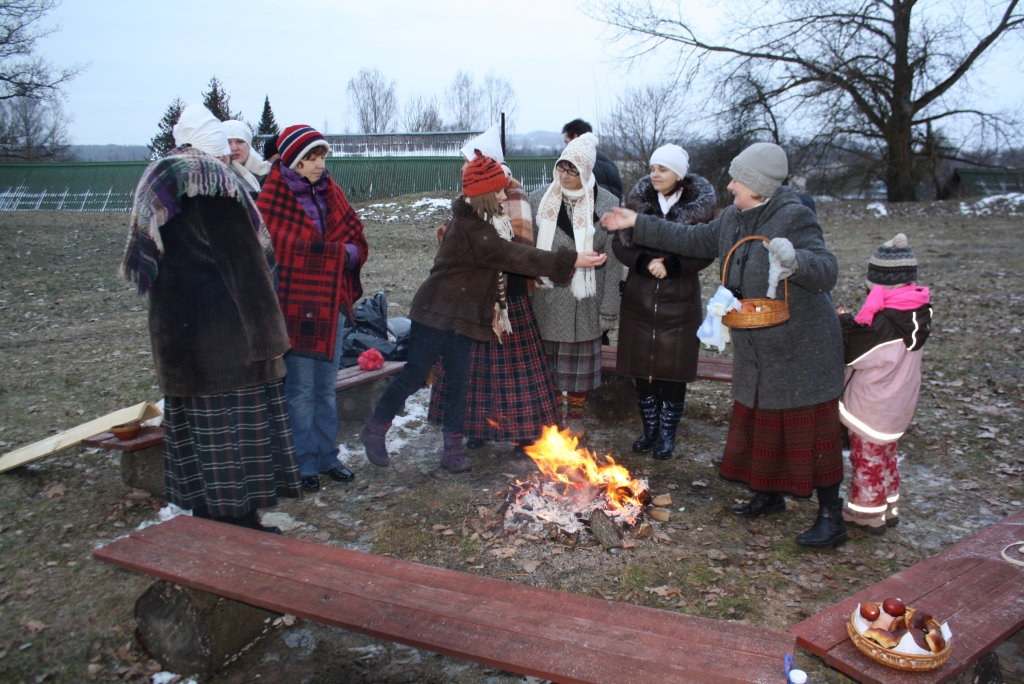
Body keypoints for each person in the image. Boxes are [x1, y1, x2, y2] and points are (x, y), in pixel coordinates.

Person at [601, 142, 847, 548]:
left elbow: (827, 270)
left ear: (758, 184)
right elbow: (693, 238)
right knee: (763, 424)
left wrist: (796, 260)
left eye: (737, 179)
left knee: (809, 434)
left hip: (801, 347)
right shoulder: (734, 217)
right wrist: (637, 222)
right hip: (758, 345)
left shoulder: (794, 216)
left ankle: (830, 515)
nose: (729, 185)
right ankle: (768, 495)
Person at [360, 154, 607, 472]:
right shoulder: (473, 229)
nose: (506, 196)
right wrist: (570, 260)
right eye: (501, 191)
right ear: (485, 195)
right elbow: (515, 256)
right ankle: (376, 428)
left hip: (465, 318)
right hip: (435, 315)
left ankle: (451, 450)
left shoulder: (488, 224)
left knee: (459, 384)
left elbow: (511, 254)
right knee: (412, 376)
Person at [119, 104, 300, 532]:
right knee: (233, 443)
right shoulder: (214, 188)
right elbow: (247, 271)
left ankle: (210, 523)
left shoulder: (165, 182)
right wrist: (270, 342)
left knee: (205, 446)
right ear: (215, 149)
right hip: (227, 345)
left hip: (180, 341)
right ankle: (239, 529)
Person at [429, 127, 561, 459]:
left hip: (508, 296)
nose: (465, 166)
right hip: (474, 298)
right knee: (476, 370)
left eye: (472, 159)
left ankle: (522, 431)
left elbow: (521, 247)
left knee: (516, 372)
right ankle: (477, 429)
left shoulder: (512, 192)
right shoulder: (473, 194)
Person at [258, 125, 367, 492]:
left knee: (325, 387)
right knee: (300, 390)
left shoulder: (330, 191)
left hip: (331, 304)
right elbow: (283, 249)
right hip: (295, 306)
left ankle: (327, 457)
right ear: (294, 160)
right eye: (311, 158)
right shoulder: (273, 195)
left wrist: (348, 254)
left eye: (321, 157)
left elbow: (355, 234)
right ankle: (301, 463)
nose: (320, 165)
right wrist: (338, 255)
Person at [612, 144, 716, 459]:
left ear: (679, 175)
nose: (655, 174)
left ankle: (667, 435)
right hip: (640, 299)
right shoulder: (636, 203)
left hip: (680, 301)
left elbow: (706, 251)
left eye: (663, 169)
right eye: (653, 168)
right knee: (643, 371)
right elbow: (620, 246)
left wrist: (672, 266)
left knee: (673, 372)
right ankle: (650, 429)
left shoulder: (699, 208)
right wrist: (644, 263)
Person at [530, 132, 621, 439]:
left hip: (585, 299)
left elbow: (614, 261)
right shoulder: (537, 199)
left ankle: (576, 418)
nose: (565, 176)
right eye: (561, 168)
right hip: (545, 298)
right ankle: (554, 417)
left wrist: (609, 308)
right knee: (549, 367)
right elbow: (527, 252)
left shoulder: (607, 204)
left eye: (573, 170)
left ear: (586, 171)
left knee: (577, 368)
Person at [838, 234, 931, 534]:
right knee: (886, 456)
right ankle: (889, 505)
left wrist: (843, 323)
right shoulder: (915, 312)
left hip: (872, 406)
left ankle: (867, 514)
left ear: (879, 284)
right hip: (898, 405)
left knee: (867, 460)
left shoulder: (885, 323)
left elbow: (856, 352)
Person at [562, 119, 622, 201]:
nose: (566, 147)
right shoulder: (609, 163)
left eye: (566, 142)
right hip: (609, 212)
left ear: (575, 138)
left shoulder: (571, 163)